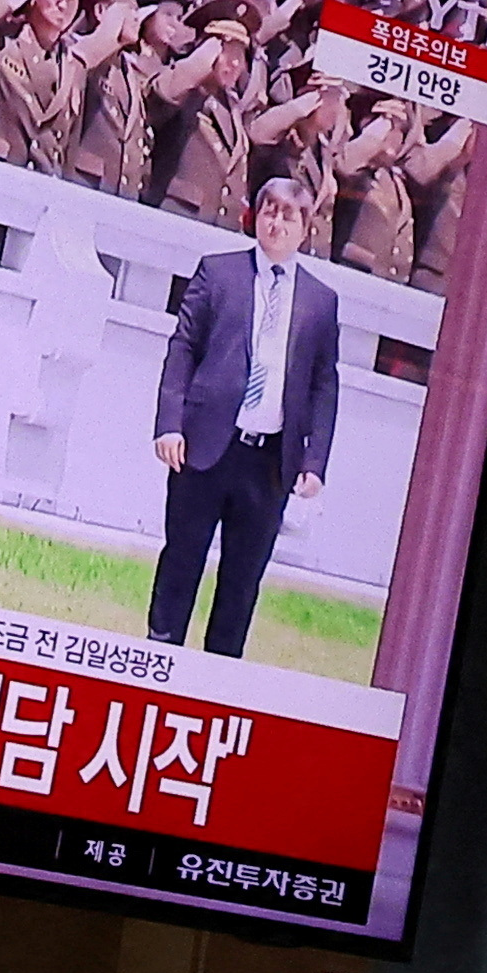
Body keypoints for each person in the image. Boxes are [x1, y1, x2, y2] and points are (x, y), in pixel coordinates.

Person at [145, 173, 344, 657]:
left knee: (243, 576)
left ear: (305, 227)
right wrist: (170, 423)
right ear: (256, 216)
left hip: (270, 461)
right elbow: (184, 348)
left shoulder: (321, 301)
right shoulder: (218, 273)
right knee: (182, 557)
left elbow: (324, 384)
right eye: (269, 210)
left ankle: (220, 672)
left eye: (288, 214)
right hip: (206, 444)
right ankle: (160, 651)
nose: (276, 222)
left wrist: (313, 460)